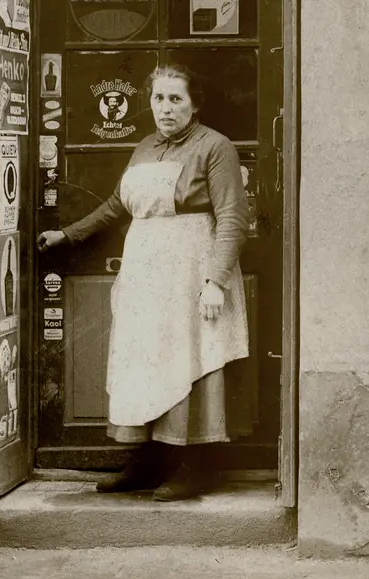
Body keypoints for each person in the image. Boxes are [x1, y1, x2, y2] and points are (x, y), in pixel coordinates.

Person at [37, 64, 251, 501]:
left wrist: (215, 282)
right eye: (159, 98)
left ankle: (195, 466)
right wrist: (69, 234)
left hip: (192, 268)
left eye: (176, 99)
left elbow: (233, 218)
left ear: (196, 104)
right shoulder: (145, 147)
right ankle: (147, 461)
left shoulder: (215, 147)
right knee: (147, 358)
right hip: (146, 271)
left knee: (189, 356)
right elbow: (119, 205)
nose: (166, 108)